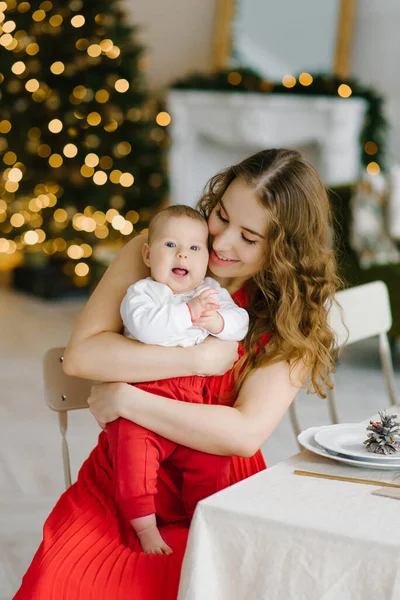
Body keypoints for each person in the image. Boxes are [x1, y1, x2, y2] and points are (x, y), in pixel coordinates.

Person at [14, 148, 341, 600]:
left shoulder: (294, 310)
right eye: (221, 216)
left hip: (216, 487)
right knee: (65, 582)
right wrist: (198, 360)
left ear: (284, 250)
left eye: (248, 236)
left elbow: (243, 433)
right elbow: (82, 358)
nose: (222, 243)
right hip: (122, 479)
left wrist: (128, 400)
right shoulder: (160, 249)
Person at [109, 204, 249, 555]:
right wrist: (188, 313)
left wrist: (216, 322)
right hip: (144, 394)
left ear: (205, 261)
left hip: (192, 399)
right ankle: (145, 528)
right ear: (148, 253)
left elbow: (240, 322)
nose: (182, 253)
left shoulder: (211, 293)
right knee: (133, 459)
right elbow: (145, 327)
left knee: (211, 461)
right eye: (170, 245)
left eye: (194, 248)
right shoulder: (143, 293)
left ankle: (201, 518)